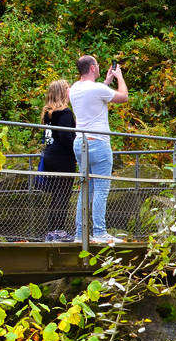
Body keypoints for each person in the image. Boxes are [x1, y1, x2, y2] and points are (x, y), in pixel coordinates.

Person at [70, 54, 129, 244]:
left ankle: (80, 234)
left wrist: (106, 81)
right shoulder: (96, 90)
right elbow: (123, 97)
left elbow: (96, 94)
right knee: (101, 189)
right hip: (98, 143)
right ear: (93, 68)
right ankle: (100, 232)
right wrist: (119, 77)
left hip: (80, 142)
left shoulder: (75, 89)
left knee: (85, 189)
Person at [36, 80, 76, 241]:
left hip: (50, 156)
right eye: (67, 89)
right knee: (63, 195)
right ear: (62, 92)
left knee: (56, 195)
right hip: (63, 159)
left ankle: (52, 230)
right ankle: (58, 231)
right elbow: (66, 136)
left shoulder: (48, 113)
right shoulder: (65, 113)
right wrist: (78, 147)